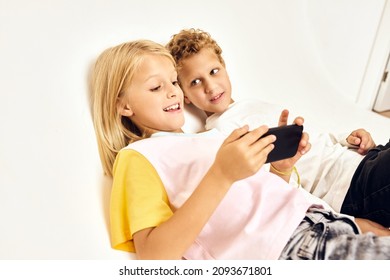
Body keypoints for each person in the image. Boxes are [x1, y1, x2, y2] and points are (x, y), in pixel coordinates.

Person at [90, 39, 390, 260]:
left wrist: (280, 169)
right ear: (122, 105)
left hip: (322, 223)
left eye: (172, 82)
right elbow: (155, 257)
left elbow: (258, 202)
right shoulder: (138, 157)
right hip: (287, 247)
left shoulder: (206, 140)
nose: (172, 91)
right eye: (156, 87)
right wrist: (221, 175)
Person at [166, 28, 390, 228]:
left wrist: (347, 138)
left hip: (361, 159)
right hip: (351, 186)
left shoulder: (251, 104)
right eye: (195, 82)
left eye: (214, 72)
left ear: (224, 67)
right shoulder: (225, 134)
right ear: (185, 95)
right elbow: (278, 187)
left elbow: (314, 137)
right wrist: (344, 223)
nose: (210, 86)